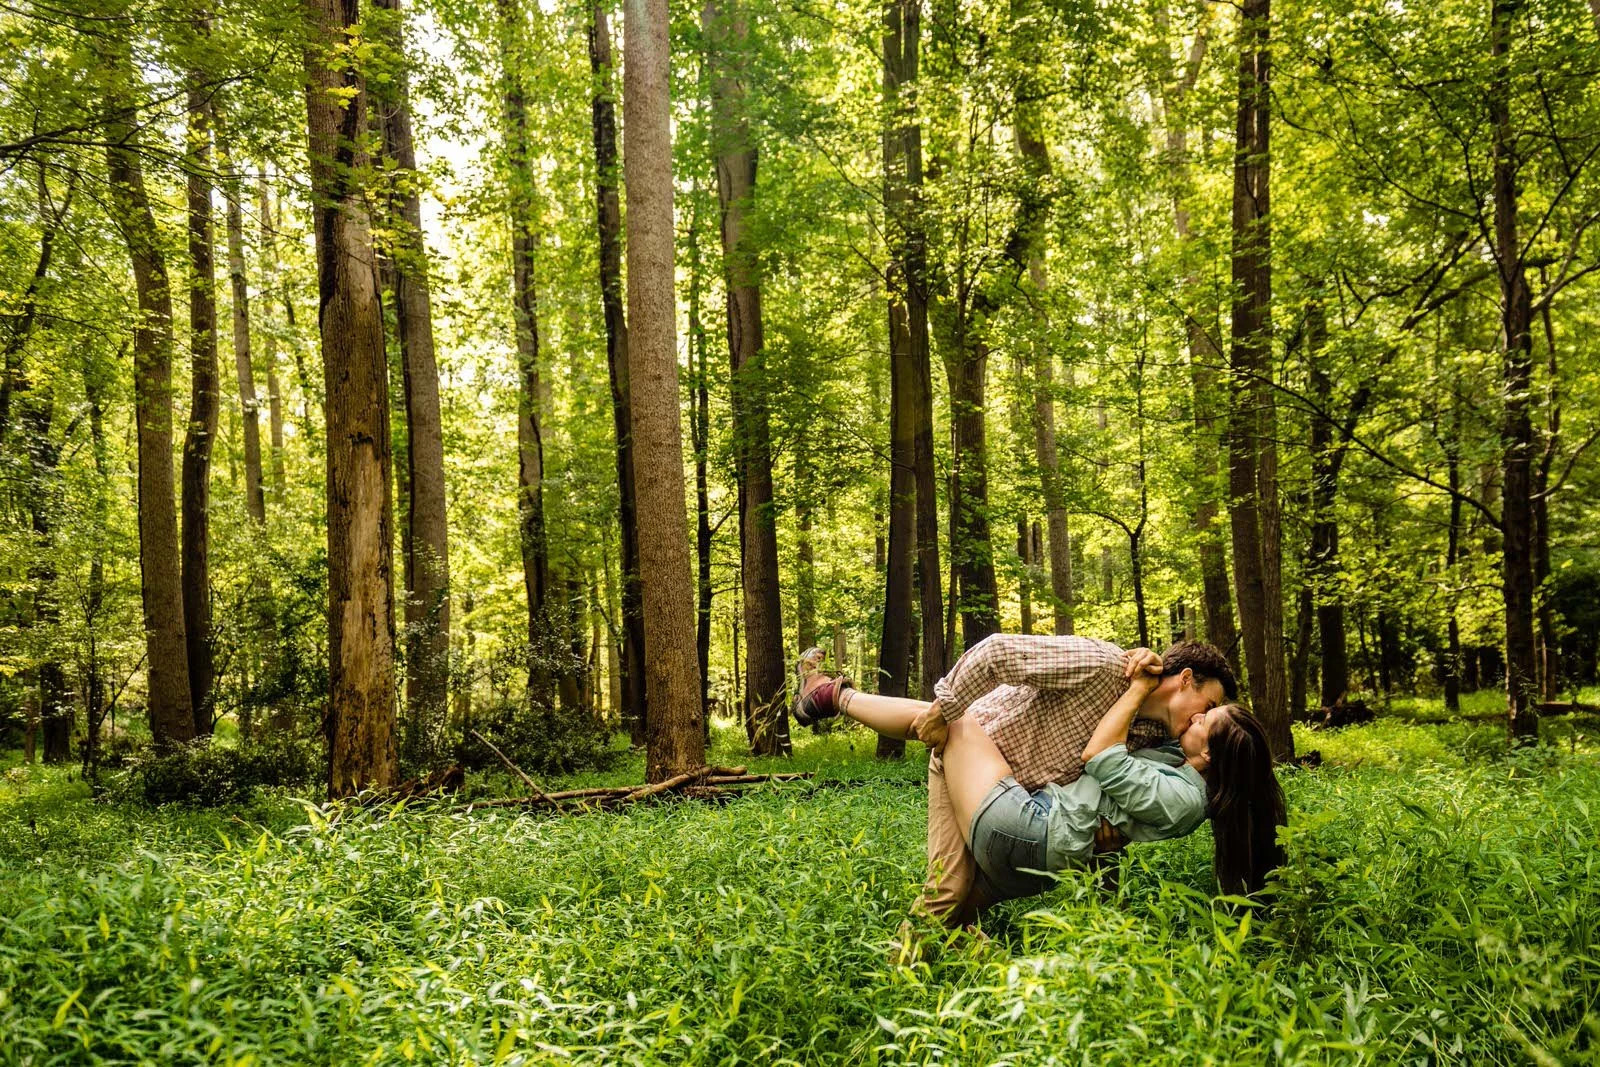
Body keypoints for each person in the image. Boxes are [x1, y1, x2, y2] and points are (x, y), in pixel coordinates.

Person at [794, 636, 1285, 927]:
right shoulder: (1102, 666)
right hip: (979, 757)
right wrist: (948, 706)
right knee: (945, 725)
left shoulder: (1158, 741)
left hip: (1015, 802)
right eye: (1206, 705)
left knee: (949, 893)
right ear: (1186, 679)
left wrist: (1108, 846)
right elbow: (996, 652)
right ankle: (832, 696)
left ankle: (831, 695)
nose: (1201, 718)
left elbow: (1122, 797)